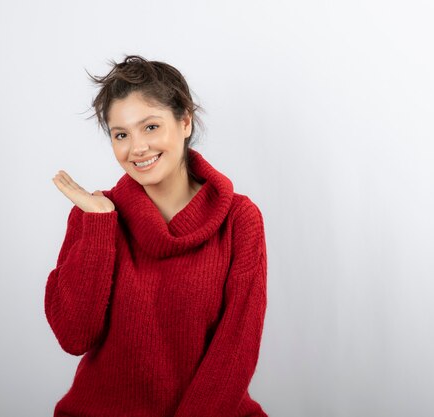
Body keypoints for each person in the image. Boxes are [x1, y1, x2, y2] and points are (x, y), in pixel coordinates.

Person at [45, 54, 269, 417]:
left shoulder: (239, 220)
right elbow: (74, 336)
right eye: (121, 134)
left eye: (150, 127)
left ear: (184, 121)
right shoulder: (93, 217)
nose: (137, 148)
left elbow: (236, 350)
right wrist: (100, 227)